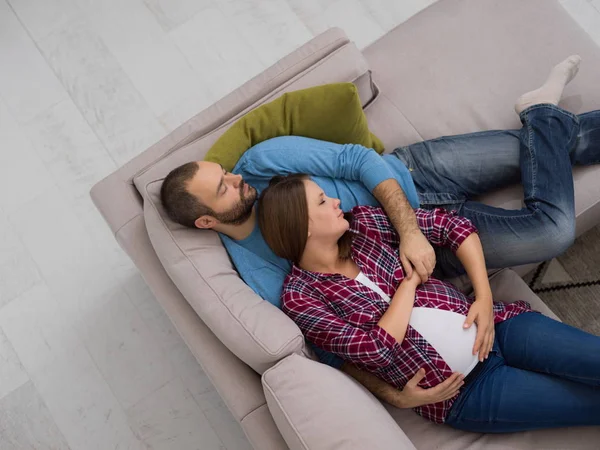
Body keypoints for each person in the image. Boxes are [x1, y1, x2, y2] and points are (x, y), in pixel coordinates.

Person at [160, 55, 600, 410]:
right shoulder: (261, 272)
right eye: (223, 187)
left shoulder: (261, 161)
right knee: (552, 230)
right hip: (410, 253)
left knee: (566, 145)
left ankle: (541, 112)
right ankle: (543, 114)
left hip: (410, 176)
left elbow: (357, 159)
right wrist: (395, 396)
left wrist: (409, 228)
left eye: (224, 173)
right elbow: (333, 342)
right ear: (206, 221)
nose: (236, 178)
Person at [257, 172, 600, 431]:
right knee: (588, 406)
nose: (335, 201)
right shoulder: (300, 299)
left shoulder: (364, 225)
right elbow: (376, 349)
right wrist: (409, 284)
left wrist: (482, 296)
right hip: (466, 394)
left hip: (499, 326)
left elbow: (454, 227)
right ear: (301, 226)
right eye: (321, 201)